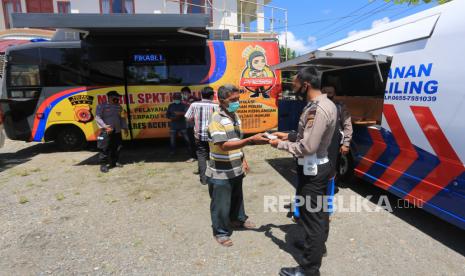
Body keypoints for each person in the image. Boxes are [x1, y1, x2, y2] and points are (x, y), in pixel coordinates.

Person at [270, 67, 337, 276]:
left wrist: (277, 144)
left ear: (306, 84)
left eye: (296, 84)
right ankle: (316, 248)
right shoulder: (326, 103)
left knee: (312, 220)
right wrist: (288, 136)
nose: (294, 87)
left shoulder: (317, 109)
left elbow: (308, 147)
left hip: (313, 168)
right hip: (321, 164)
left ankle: (309, 269)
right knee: (319, 214)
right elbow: (309, 136)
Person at [206, 84, 269, 247]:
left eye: (238, 99)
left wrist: (243, 159)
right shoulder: (216, 119)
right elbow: (223, 145)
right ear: (221, 100)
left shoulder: (235, 115)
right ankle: (220, 232)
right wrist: (250, 140)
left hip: (235, 167)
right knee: (220, 203)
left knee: (236, 197)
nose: (236, 102)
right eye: (232, 99)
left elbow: (236, 141)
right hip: (220, 170)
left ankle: (237, 219)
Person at [185, 86, 219, 185]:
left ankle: (204, 179)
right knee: (214, 155)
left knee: (201, 156)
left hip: (199, 136)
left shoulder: (194, 105)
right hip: (213, 136)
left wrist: (195, 120)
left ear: (201, 95)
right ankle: (215, 176)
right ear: (212, 96)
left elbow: (187, 118)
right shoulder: (216, 106)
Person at [322, 86, 353, 184]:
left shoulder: (340, 107)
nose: (328, 94)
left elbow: (347, 124)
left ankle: (331, 188)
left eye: (330, 92)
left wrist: (346, 143)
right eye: (325, 92)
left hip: (334, 143)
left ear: (334, 94)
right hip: (319, 142)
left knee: (333, 167)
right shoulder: (317, 105)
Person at [95, 90, 129, 173]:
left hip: (117, 131)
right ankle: (103, 165)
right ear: (110, 97)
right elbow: (97, 117)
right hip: (106, 131)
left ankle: (114, 162)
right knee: (104, 148)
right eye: (116, 97)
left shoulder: (119, 107)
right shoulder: (101, 106)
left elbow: (122, 118)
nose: (118, 99)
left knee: (117, 147)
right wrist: (104, 126)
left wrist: (125, 128)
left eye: (118, 97)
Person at [181, 86, 198, 162]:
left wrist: (186, 102)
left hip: (193, 124)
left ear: (189, 93)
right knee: (189, 141)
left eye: (185, 93)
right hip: (186, 124)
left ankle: (194, 156)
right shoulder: (182, 101)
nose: (184, 94)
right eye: (183, 93)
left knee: (193, 141)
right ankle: (192, 155)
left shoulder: (194, 100)